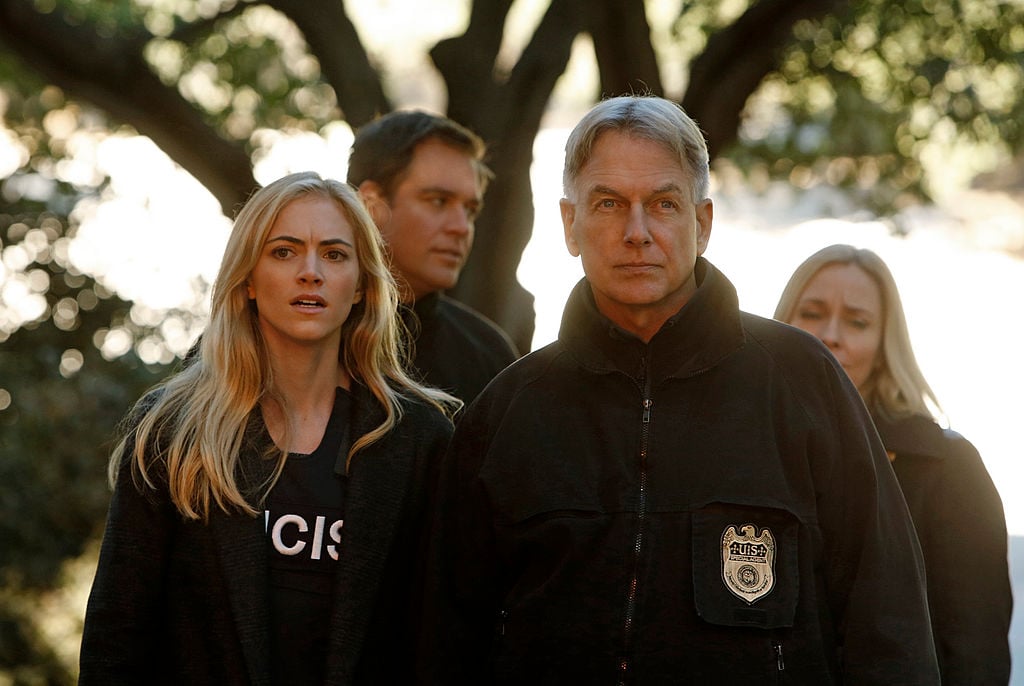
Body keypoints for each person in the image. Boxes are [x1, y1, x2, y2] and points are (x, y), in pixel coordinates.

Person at [417, 95, 940, 684]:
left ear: (704, 223)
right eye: (609, 203)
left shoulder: (803, 384)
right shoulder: (507, 412)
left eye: (663, 204)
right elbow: (446, 643)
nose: (636, 232)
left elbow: (888, 622)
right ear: (569, 225)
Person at [79, 172, 458, 685]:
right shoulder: (174, 432)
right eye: (284, 252)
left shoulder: (417, 439)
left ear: (363, 286)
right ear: (249, 280)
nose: (310, 272)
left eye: (334, 254)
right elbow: (117, 636)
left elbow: (440, 639)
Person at [774, 244, 1013, 684]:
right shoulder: (745, 451)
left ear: (884, 345)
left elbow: (974, 649)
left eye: (857, 322)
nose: (831, 335)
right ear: (781, 325)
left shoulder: (947, 467)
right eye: (811, 313)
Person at [347, 110, 518, 404]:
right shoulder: (308, 335)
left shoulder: (489, 354)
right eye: (439, 201)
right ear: (371, 204)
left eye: (470, 210)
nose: (462, 228)